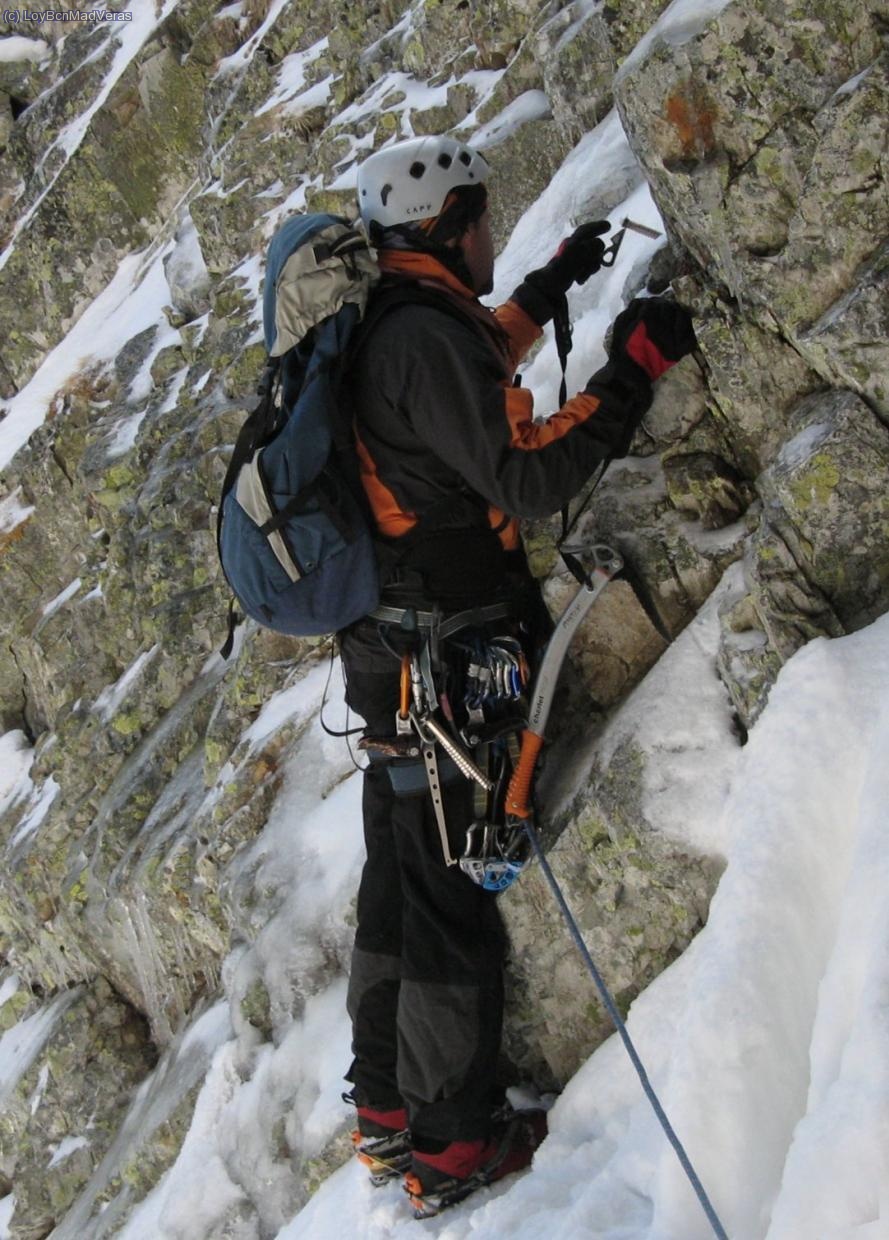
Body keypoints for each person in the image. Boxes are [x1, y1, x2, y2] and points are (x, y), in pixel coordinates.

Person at [338, 134, 695, 1217]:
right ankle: (452, 1146)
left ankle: (389, 1113)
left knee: (401, 887)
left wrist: (546, 288)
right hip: (441, 662)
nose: (492, 234)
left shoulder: (400, 323)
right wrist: (632, 368)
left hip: (392, 658)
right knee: (446, 898)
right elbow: (528, 472)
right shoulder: (417, 340)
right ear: (442, 228)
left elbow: (469, 371)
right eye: (480, 219)